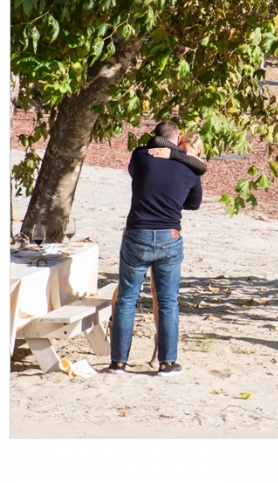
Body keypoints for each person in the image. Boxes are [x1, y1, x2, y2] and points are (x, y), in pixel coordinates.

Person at [110, 121, 203, 376]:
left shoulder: (140, 156)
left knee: (127, 300)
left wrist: (170, 153)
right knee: (168, 301)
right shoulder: (190, 169)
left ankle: (118, 363)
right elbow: (194, 204)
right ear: (180, 138)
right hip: (169, 237)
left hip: (136, 235)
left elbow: (137, 165)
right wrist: (179, 159)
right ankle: (167, 363)